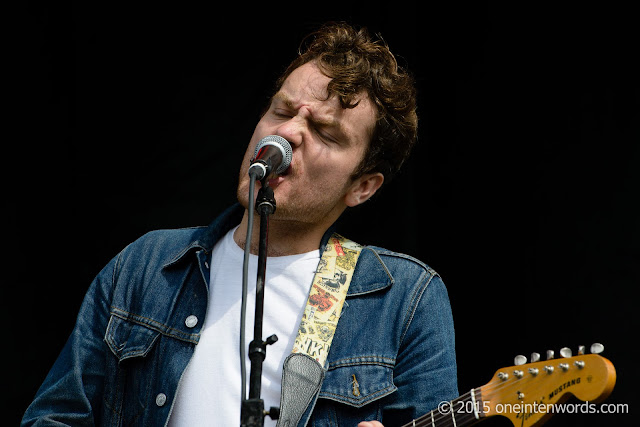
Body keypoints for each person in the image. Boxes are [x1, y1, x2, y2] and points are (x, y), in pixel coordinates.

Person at [22, 22, 457, 426]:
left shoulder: (404, 299)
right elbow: (53, 417)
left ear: (362, 186)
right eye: (281, 110)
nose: (287, 133)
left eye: (324, 132)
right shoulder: (144, 267)